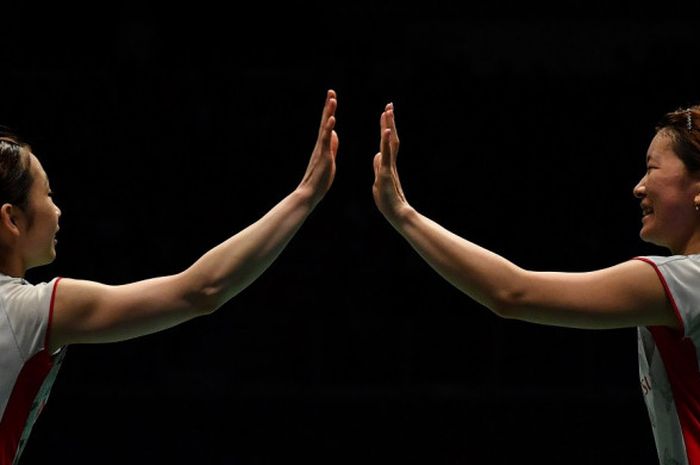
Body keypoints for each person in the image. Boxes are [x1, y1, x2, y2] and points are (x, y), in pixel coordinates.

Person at [0, 89, 339, 464]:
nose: (58, 210)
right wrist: (305, 196)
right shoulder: (29, 313)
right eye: (48, 194)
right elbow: (201, 290)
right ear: (12, 219)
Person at [371, 101, 700, 464]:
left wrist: (403, 214)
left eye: (652, 169)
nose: (638, 187)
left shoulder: (689, 280)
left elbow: (512, 292)